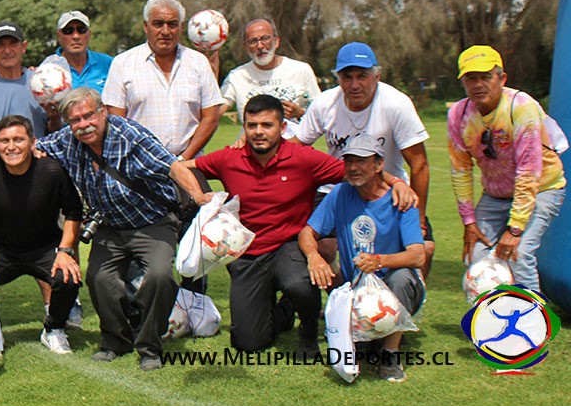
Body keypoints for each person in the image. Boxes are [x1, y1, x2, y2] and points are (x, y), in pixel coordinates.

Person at [27, 87, 212, 370]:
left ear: (103, 112)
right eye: (75, 120)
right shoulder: (66, 140)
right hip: (110, 225)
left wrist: (198, 196)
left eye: (88, 115)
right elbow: (30, 147)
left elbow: (173, 167)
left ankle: (150, 346)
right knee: (99, 279)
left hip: (152, 222)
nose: (83, 124)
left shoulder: (131, 136)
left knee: (159, 276)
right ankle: (115, 341)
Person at [179, 95, 346, 354]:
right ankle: (284, 310)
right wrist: (199, 196)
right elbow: (179, 168)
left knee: (299, 284)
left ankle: (308, 329)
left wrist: (397, 184)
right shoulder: (229, 158)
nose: (258, 132)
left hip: (289, 246)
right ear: (244, 127)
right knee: (248, 343)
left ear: (282, 127)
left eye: (267, 125)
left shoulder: (304, 158)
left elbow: (356, 173)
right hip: (248, 253)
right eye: (252, 125)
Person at [293, 41, 434, 276]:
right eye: (347, 77)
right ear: (338, 78)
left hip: (388, 189)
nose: (355, 85)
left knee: (425, 249)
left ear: (376, 76)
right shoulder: (324, 104)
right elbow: (295, 148)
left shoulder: (396, 104)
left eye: (362, 76)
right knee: (320, 246)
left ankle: (411, 295)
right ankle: (343, 290)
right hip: (338, 189)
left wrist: (418, 218)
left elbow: (419, 164)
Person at [299, 134, 425, 382]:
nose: (353, 168)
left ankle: (390, 354)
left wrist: (379, 261)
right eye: (349, 161)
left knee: (400, 278)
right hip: (355, 287)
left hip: (391, 285)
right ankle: (358, 332)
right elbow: (307, 232)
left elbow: (418, 256)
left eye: (361, 161)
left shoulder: (402, 199)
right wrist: (314, 256)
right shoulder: (340, 193)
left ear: (379, 165)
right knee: (319, 265)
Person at [0, 115, 84, 354]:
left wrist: (65, 251)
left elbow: (73, 211)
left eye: (18, 139)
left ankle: (54, 329)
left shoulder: (52, 170)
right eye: (4, 141)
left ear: (32, 142)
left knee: (68, 275)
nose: (11, 147)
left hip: (44, 247)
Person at [448, 45, 566, 289]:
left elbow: (528, 172)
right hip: (496, 194)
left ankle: (533, 311)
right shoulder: (459, 114)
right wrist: (469, 222)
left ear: (502, 79)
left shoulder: (521, 107)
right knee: (476, 255)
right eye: (471, 78)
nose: (478, 84)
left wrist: (515, 229)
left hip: (541, 188)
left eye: (485, 77)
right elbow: (461, 170)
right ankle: (491, 311)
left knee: (519, 254)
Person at [102, 0, 223, 159]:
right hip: (140, 165)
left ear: (181, 27)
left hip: (188, 164)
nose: (165, 31)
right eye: (158, 24)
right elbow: (117, 122)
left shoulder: (198, 63)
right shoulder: (122, 63)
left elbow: (211, 118)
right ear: (146, 26)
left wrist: (182, 160)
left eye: (172, 24)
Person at [219, 18, 320, 139]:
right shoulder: (237, 76)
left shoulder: (301, 70)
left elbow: (320, 113)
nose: (260, 46)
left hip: (293, 146)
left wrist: (299, 113)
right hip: (252, 146)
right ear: (245, 47)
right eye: (253, 41)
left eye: (265, 38)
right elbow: (215, 113)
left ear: (276, 41)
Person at [0, 21, 59, 149]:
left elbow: (55, 132)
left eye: (13, 43)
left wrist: (55, 117)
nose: (7, 51)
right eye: (0, 45)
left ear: (24, 47)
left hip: (36, 158)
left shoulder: (41, 83)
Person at [54, 10, 112, 93]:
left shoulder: (109, 64)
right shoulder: (47, 69)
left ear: (89, 34)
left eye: (81, 30)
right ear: (59, 35)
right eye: (68, 31)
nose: (76, 36)